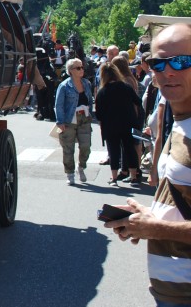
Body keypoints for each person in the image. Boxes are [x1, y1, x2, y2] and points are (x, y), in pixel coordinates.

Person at [104, 23, 191, 306]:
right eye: (158, 63)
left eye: (181, 61)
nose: (168, 71)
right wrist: (146, 216)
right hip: (171, 290)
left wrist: (156, 229)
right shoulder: (180, 124)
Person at [96, 61, 143, 186]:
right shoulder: (126, 87)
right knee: (129, 149)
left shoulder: (102, 91)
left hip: (110, 125)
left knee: (113, 151)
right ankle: (133, 177)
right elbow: (138, 101)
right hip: (128, 122)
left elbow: (99, 113)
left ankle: (114, 178)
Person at [53, 57, 93, 185]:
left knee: (86, 147)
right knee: (68, 148)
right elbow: (58, 104)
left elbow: (90, 100)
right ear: (71, 70)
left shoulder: (87, 83)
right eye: (78, 68)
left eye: (82, 67)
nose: (82, 70)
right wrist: (60, 121)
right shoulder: (64, 86)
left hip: (84, 118)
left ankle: (81, 167)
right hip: (69, 119)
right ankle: (70, 173)